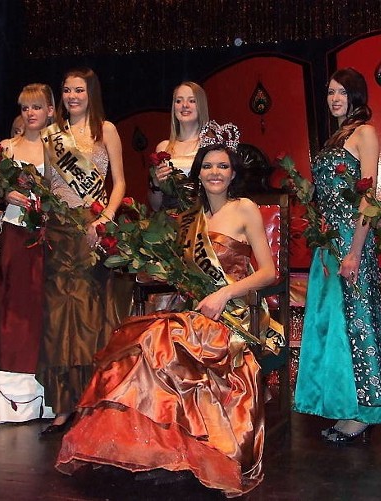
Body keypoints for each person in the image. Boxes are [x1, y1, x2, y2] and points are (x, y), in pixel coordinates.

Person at [56, 139, 279, 498]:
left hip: (234, 314)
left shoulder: (245, 208)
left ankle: (180, 450)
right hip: (193, 313)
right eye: (208, 166)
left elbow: (269, 272)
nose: (215, 173)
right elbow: (178, 271)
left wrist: (223, 293)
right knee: (144, 340)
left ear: (233, 173)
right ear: (198, 173)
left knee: (164, 340)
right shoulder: (190, 216)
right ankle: (157, 451)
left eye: (223, 166)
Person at [294, 67, 381, 442]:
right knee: (333, 327)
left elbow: (368, 196)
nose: (335, 98)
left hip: (353, 241)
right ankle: (342, 404)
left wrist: (355, 250)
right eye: (330, 92)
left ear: (356, 96)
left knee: (357, 322)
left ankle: (364, 411)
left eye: (342, 92)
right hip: (328, 244)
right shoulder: (334, 137)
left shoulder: (364, 133)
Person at [36, 67, 127, 435]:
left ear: (92, 92)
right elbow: (46, 185)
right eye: (67, 90)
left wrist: (102, 220)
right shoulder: (51, 136)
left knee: (90, 318)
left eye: (79, 90)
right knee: (58, 320)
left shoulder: (106, 130)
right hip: (58, 232)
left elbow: (119, 182)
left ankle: (92, 403)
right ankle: (63, 406)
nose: (72, 96)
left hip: (92, 230)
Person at [0, 84, 57, 423]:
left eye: (37, 107)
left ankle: (43, 395)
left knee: (41, 313)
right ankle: (7, 398)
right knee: (11, 310)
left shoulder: (60, 150)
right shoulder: (6, 148)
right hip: (12, 237)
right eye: (26, 107)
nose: (31, 113)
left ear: (50, 111)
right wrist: (5, 193)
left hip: (47, 239)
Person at [148, 81, 209, 211]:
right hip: (170, 224)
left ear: (201, 105)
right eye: (179, 101)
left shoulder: (210, 145)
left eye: (192, 101)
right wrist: (156, 183)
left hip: (204, 220)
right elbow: (155, 206)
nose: (184, 105)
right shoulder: (163, 148)